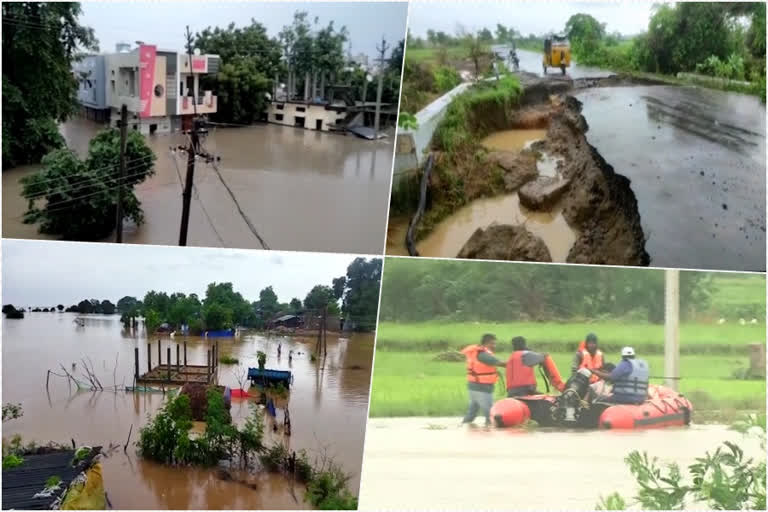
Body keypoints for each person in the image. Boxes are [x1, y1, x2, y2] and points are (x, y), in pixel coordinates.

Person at [460, 334, 506, 427]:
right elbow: (501, 363)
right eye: (492, 344)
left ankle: (462, 427)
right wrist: (517, 363)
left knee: (471, 414)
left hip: (474, 387)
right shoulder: (483, 355)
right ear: (486, 343)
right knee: (490, 413)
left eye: (495, 344)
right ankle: (490, 431)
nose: (494, 346)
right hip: (482, 388)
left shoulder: (478, 353)